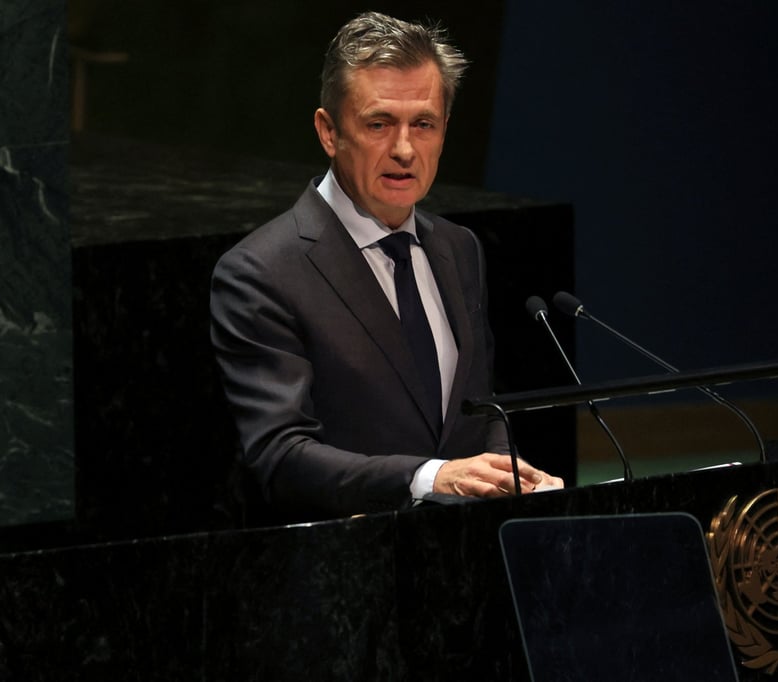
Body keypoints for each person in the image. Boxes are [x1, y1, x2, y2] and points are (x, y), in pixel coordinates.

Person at [210, 11, 562, 519]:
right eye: (379, 124)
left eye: (423, 124)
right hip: (349, 557)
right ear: (329, 132)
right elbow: (280, 456)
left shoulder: (459, 248)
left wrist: (508, 471)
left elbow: (478, 410)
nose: (404, 149)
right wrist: (427, 477)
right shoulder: (261, 272)